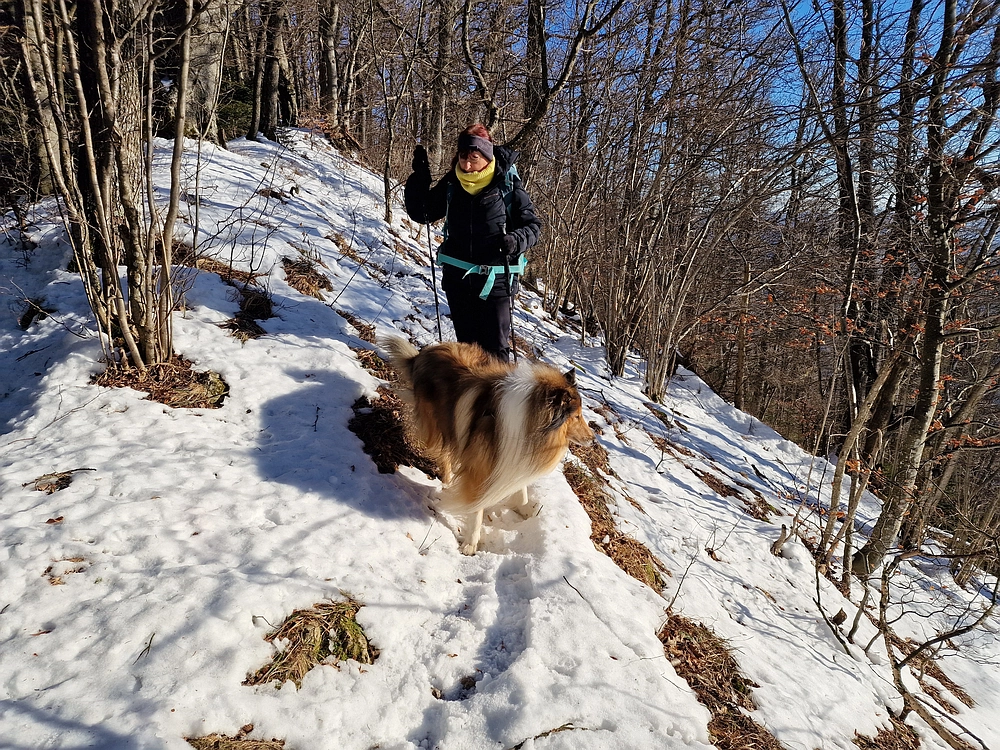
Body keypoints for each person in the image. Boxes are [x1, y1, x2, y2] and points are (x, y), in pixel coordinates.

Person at [404, 124, 542, 363]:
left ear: (487, 158)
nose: (467, 165)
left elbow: (533, 227)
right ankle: (467, 400)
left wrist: (515, 240)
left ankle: (495, 401)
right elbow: (422, 213)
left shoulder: (507, 184)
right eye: (463, 157)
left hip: (496, 281)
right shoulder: (452, 183)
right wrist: (420, 178)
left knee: (495, 352)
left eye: (474, 158)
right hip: (459, 279)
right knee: (466, 352)